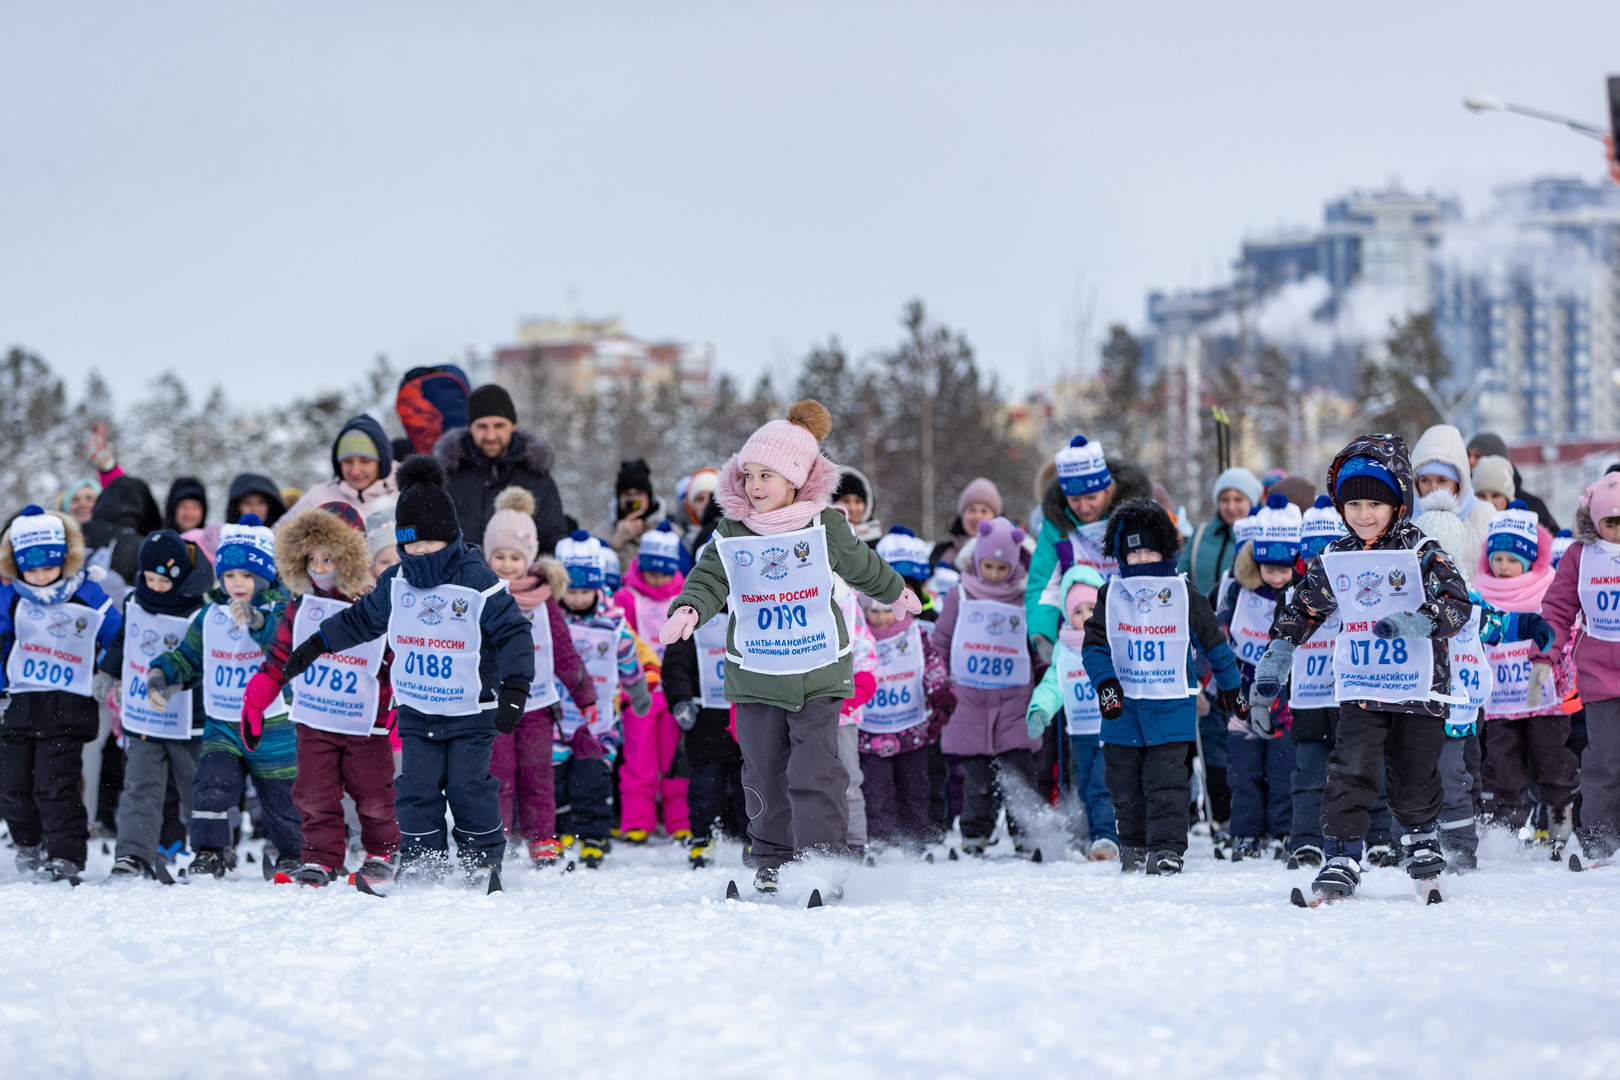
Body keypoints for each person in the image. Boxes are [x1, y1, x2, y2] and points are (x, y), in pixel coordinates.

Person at [659, 399, 920, 896]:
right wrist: (689, 609)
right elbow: (711, 577)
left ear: (797, 480)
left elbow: (863, 566)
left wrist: (895, 591)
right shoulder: (732, 531)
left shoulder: (825, 526)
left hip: (817, 670)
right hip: (756, 673)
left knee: (815, 769)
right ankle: (772, 859)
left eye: (768, 477)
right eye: (749, 475)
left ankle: (823, 860)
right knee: (761, 769)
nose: (755, 487)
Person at [280, 456, 535, 887]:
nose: (418, 554)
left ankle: (480, 861)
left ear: (449, 537)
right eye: (409, 545)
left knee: (468, 786)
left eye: (428, 545)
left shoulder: (477, 582)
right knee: (416, 787)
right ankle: (423, 860)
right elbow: (361, 621)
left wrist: (515, 688)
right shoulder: (396, 582)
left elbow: (513, 633)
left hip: (470, 709)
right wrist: (317, 643)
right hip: (417, 709)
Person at [1254, 434, 1472, 901]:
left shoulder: (1422, 550)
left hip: (1419, 689)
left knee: (1414, 772)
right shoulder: (1336, 556)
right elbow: (1303, 609)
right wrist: (1278, 655)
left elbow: (1458, 605)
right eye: (1353, 505)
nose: (1364, 514)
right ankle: (1341, 854)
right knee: (1349, 767)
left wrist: (1417, 622)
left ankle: (1420, 842)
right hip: (1362, 685)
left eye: (1376, 502)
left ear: (1397, 503)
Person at [1082, 499, 1245, 876]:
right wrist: (1105, 684)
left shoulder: (1184, 593)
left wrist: (1232, 689)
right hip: (1121, 711)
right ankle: (1134, 844)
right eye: (1133, 552)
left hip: (1171, 707)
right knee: (1123, 783)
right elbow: (1094, 647)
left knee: (1168, 782)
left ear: (1166, 550)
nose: (1140, 560)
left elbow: (1215, 645)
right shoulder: (1111, 595)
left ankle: (1167, 848)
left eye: (1149, 550)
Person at [239, 504, 398, 888]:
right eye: (312, 559)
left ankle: (382, 851)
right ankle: (321, 858)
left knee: (374, 795)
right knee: (313, 794)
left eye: (330, 558)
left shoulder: (375, 605)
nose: (321, 567)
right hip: (315, 719)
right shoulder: (300, 608)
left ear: (349, 556)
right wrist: (256, 701)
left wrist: (395, 714)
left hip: (367, 722)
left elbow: (394, 660)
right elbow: (279, 657)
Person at [141, 516, 300, 879]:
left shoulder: (280, 609)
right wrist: (161, 674)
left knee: (280, 794)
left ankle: (292, 851)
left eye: (245, 576)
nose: (237, 584)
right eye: (229, 576)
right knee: (212, 785)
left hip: (273, 723)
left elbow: (285, 648)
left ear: (263, 577)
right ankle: (211, 851)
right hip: (222, 722)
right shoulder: (210, 614)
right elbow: (188, 656)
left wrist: (257, 622)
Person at [0, 506, 122, 882]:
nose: (39, 576)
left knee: (55, 784)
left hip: (68, 706)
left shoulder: (87, 594)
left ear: (64, 560)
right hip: (20, 704)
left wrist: (106, 668)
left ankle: (66, 854)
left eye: (47, 568)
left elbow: (118, 635)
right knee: (13, 784)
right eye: (31, 569)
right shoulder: (11, 598)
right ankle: (27, 843)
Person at [482, 488, 594, 868]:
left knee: (537, 777)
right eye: (499, 556)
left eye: (515, 556)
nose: (507, 564)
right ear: (487, 556)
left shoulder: (545, 601)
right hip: (493, 706)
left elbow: (564, 653)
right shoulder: (479, 596)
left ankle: (541, 838)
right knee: (496, 775)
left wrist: (586, 696)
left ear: (528, 558)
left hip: (538, 706)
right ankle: (494, 835)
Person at [1284, 495, 1397, 869]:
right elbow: (1280, 642)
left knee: (1365, 769)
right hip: (1310, 700)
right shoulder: (1295, 597)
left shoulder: (1365, 591)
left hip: (1357, 698)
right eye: (1313, 557)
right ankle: (1306, 841)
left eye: (1328, 556)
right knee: (1310, 776)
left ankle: (1379, 837)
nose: (1321, 565)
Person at [103, 531, 213, 880]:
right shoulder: (136, 599)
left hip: (188, 718)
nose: (155, 585)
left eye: (163, 580)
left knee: (196, 787)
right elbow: (124, 638)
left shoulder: (200, 609)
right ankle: (133, 854)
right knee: (140, 786)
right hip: (143, 716)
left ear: (179, 575)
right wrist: (107, 672)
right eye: (149, 578)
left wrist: (179, 684)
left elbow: (204, 659)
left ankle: (209, 850)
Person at [932, 518, 1042, 858]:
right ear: (976, 560)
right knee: (976, 775)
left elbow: (1034, 643)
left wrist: (1042, 671)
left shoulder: (1024, 599)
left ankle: (1025, 833)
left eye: (1002, 567)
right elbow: (941, 641)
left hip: (1014, 699)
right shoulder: (959, 596)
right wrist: (940, 681)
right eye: (989, 566)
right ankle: (974, 833)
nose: (994, 573)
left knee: (1019, 772)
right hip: (969, 699)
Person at [1469, 501, 1572, 856]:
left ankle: (1557, 812)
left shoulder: (1548, 587)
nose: (1504, 567)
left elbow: (1563, 629)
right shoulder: (1479, 592)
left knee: (1551, 757)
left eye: (1513, 560)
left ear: (1530, 561)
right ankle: (1504, 828)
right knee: (1502, 765)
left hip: (1545, 695)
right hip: (1499, 700)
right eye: (1498, 558)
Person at [1532, 472, 1620, 861]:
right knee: (1603, 760)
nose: (1618, 531)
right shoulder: (1580, 557)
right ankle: (1600, 840)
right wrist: (1542, 658)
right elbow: (1557, 610)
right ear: (1596, 522)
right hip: (1600, 678)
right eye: (1611, 523)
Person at [553, 532, 652, 868]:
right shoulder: (552, 621)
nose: (578, 598)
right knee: (556, 779)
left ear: (597, 588)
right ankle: (561, 830)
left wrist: (638, 693)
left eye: (585, 591)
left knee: (592, 778)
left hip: (598, 720)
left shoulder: (613, 623)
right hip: (556, 718)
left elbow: (628, 661)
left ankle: (593, 835)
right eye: (572, 591)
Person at [1217, 494, 1301, 860]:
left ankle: (1285, 830)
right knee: (1244, 769)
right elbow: (1220, 634)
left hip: (1285, 697)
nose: (1277, 577)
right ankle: (1247, 832)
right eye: (1270, 569)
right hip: (1243, 691)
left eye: (1284, 569)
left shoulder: (1301, 596)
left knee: (1283, 768)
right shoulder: (1238, 592)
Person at [1025, 435, 1151, 660]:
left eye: (1091, 497)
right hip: (1079, 637)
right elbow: (1044, 586)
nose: (1083, 507)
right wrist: (1042, 633)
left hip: (1137, 633)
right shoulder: (1055, 525)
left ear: (1107, 490)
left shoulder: (1139, 516)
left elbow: (1160, 574)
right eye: (1074, 500)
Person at [1026, 565, 1117, 859]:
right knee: (1080, 785)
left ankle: (1105, 835)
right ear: (1068, 614)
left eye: (1092, 607)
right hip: (1080, 734)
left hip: (1109, 731)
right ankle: (1080, 835)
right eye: (1078, 611)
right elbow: (1053, 683)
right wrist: (1041, 708)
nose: (1086, 615)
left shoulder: (1112, 643)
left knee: (1101, 785)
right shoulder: (1064, 649)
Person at [857, 587, 954, 852]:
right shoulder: (859, 634)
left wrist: (940, 694)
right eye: (873, 611)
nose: (880, 617)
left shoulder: (915, 633)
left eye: (887, 610)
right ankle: (880, 840)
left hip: (911, 727)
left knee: (915, 786)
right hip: (871, 729)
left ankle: (915, 838)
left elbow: (932, 664)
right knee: (876, 790)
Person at [612, 521, 688, 843]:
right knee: (639, 760)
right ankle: (637, 822)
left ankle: (679, 821)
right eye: (651, 572)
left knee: (673, 762)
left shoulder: (686, 598)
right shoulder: (626, 598)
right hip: (639, 694)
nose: (658, 579)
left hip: (672, 693)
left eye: (664, 573)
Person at [435, 384, 568, 554]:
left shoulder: (536, 475)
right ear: (470, 427)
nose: (490, 435)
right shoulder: (447, 474)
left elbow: (553, 538)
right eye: (482, 426)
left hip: (520, 578)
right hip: (457, 578)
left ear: (513, 426)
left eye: (499, 425)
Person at [661, 616, 746, 868]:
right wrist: (680, 700)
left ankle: (756, 839)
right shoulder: (691, 616)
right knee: (705, 787)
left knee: (750, 787)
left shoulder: (751, 605)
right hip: (704, 719)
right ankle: (702, 838)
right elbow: (675, 665)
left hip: (746, 715)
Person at [1411, 424, 1493, 581]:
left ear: (1459, 482)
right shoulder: (1405, 520)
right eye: (1425, 480)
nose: (1433, 490)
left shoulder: (1485, 516)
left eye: (1442, 480)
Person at [285, 415, 400, 522]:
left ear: (382, 461)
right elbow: (275, 537)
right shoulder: (317, 496)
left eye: (365, 461)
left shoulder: (405, 495)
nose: (355, 471)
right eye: (348, 461)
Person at [1179, 467, 1264, 598]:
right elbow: (1182, 577)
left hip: (1243, 615)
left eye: (1238, 499)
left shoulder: (1262, 537)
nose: (1231, 507)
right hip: (1201, 615)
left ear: (1251, 502)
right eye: (1225, 500)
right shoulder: (1201, 534)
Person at [1467, 432, 1557, 532]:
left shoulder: (1531, 504)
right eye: (1468, 455)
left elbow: (1553, 540)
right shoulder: (1463, 502)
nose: (1470, 461)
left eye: (1478, 456)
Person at [930, 477, 1004, 572]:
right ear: (961, 515)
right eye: (972, 510)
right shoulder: (940, 552)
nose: (977, 517)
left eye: (984, 511)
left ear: (995, 517)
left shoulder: (1006, 553)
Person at [604, 458, 667, 569]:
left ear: (649, 497)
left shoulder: (669, 532)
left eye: (639, 493)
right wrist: (616, 543)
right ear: (619, 498)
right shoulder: (601, 534)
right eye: (627, 494)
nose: (633, 499)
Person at [833, 466, 883, 546]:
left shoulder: (881, 544)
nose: (853, 508)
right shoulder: (826, 539)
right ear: (833, 504)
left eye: (858, 501)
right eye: (846, 501)